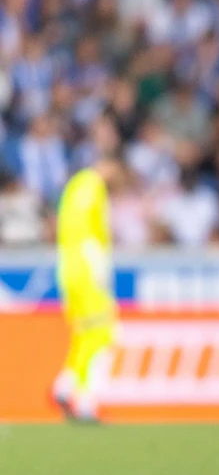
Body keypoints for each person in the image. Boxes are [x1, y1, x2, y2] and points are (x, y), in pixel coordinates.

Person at [51, 154, 124, 423]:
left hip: (69, 268)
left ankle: (64, 386)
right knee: (102, 333)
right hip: (85, 269)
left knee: (85, 333)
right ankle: (84, 400)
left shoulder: (74, 185)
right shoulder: (91, 185)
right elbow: (82, 227)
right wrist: (97, 265)